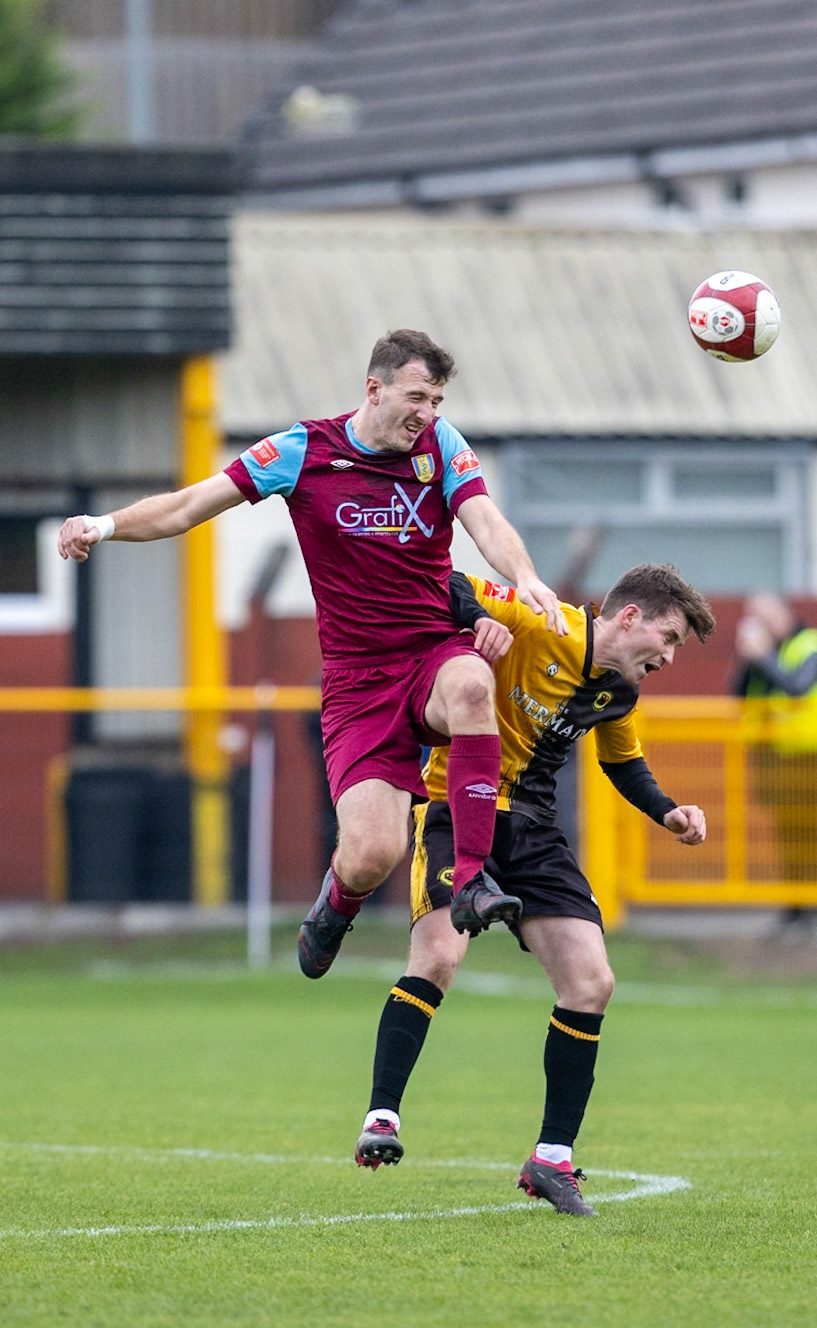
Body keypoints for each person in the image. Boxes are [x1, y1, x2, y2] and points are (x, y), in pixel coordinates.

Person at [57, 329, 566, 974]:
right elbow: (190, 505)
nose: (428, 414)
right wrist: (102, 526)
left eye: (436, 400)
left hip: (431, 650)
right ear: (373, 389)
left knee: (471, 684)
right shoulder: (301, 450)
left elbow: (485, 519)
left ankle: (468, 879)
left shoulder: (442, 445)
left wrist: (524, 575)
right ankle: (336, 901)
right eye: (416, 397)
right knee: (372, 854)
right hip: (358, 683)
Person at [353, 563, 716, 1216]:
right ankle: (381, 1116)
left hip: (532, 830)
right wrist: (477, 622)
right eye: (668, 637)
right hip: (454, 803)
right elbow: (449, 580)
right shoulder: (540, 617)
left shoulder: (617, 692)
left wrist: (667, 811)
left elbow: (621, 762)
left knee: (590, 982)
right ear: (628, 616)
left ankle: (551, 1159)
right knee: (437, 958)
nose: (668, 655)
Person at [732, 593, 817, 936]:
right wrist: (749, 659)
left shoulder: (812, 644)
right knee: (789, 838)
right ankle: (795, 911)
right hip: (778, 758)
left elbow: (798, 687)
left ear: (783, 613)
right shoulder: (767, 656)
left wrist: (763, 656)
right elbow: (740, 696)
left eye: (766, 616)